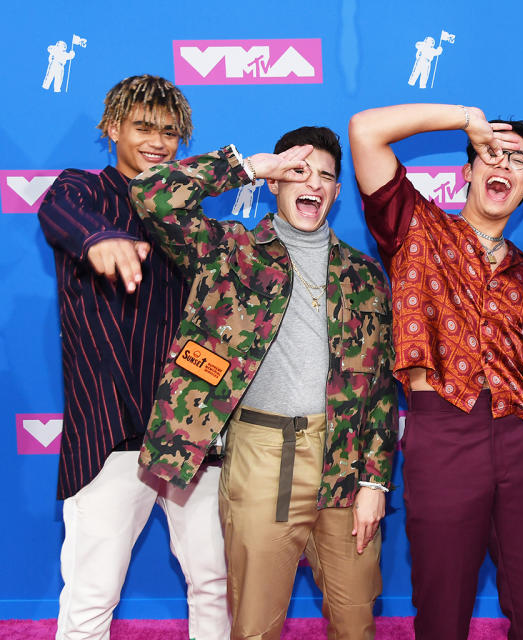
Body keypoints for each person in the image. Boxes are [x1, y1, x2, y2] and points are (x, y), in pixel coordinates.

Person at [128, 127, 398, 640]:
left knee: (357, 621)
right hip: (261, 455)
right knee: (254, 626)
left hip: (344, 462)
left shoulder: (363, 274)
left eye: (325, 176)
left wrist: (375, 481)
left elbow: (381, 390)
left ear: (338, 192)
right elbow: (151, 196)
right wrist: (247, 166)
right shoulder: (231, 251)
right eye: (298, 171)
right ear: (276, 182)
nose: (312, 183)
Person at [349, 104, 523, 640]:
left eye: (517, 161)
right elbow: (364, 132)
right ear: (466, 170)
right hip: (442, 431)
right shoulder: (414, 227)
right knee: (442, 611)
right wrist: (466, 118)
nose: (504, 165)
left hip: (522, 439)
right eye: (492, 154)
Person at [38, 74, 229, 640]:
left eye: (170, 132)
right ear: (112, 128)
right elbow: (58, 210)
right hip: (108, 433)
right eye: (143, 127)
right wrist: (100, 238)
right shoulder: (81, 190)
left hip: (189, 430)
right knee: (92, 593)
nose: (158, 141)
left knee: (215, 584)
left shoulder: (184, 215)